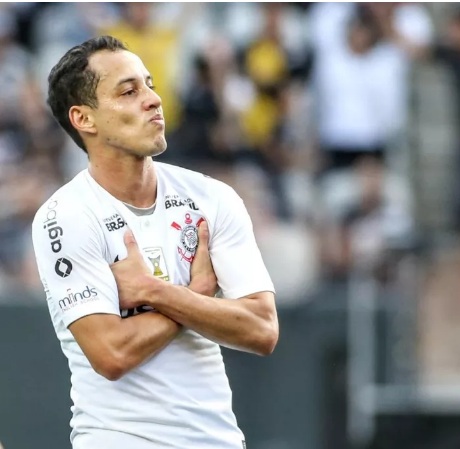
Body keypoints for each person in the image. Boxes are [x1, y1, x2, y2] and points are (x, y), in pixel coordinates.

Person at [30, 35, 278, 449]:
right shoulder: (66, 216)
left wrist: (156, 292)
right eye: (129, 91)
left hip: (217, 440)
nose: (152, 100)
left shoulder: (211, 198)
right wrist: (198, 299)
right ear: (84, 119)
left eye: (150, 85)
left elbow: (262, 329)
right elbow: (111, 354)